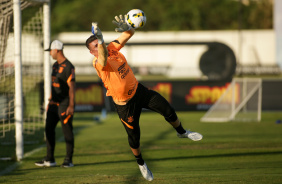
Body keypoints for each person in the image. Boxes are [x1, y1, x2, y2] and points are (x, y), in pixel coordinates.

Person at [86, 16, 203, 181]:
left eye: (99, 44)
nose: (99, 47)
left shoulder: (110, 47)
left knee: (167, 109)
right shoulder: (98, 62)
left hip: (138, 91)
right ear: (91, 51)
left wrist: (127, 27)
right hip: (124, 105)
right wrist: (100, 39)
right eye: (95, 46)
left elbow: (130, 33)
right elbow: (103, 57)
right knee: (134, 138)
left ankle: (182, 132)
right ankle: (140, 162)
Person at [35, 40, 76, 168]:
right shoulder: (55, 66)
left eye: (51, 51)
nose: (50, 53)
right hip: (54, 104)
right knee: (48, 129)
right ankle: (50, 159)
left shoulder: (69, 66)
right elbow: (54, 85)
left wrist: (71, 105)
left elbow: (72, 88)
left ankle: (68, 160)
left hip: (64, 103)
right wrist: (51, 99)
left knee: (67, 132)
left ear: (57, 50)